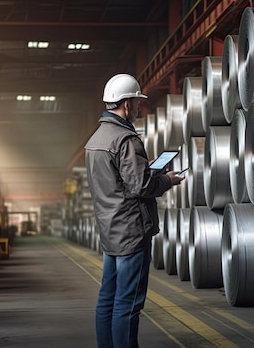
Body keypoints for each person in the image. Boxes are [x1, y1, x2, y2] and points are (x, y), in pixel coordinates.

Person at [85, 73, 184, 348]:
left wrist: (145, 167)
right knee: (128, 303)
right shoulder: (125, 138)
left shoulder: (96, 140)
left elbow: (117, 181)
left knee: (108, 298)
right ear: (126, 104)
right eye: (136, 103)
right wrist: (167, 180)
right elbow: (141, 187)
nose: (138, 108)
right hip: (131, 232)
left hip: (110, 230)